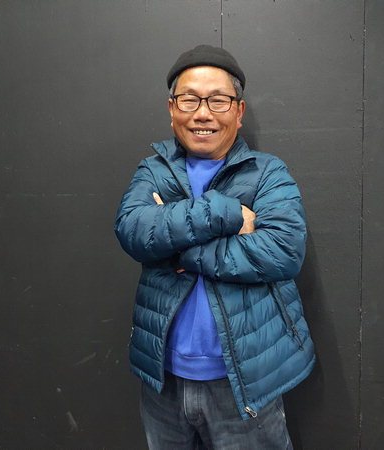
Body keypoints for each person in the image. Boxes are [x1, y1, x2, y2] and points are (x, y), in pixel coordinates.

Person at [115, 44, 315, 449]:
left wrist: (179, 248)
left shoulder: (267, 173)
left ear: (238, 112)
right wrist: (225, 213)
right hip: (163, 380)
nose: (203, 113)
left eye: (218, 100)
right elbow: (134, 230)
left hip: (245, 380)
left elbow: (282, 250)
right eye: (189, 100)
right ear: (172, 109)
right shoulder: (153, 170)